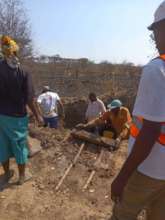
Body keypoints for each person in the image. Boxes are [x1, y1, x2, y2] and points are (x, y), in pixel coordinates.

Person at [110, 2, 165, 220]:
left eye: (156, 31)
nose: (154, 39)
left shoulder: (156, 70)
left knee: (122, 215)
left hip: (149, 169)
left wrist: (122, 177)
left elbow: (150, 132)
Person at [0, 35, 42, 185]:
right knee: (19, 146)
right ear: (16, 52)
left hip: (1, 117)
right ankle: (22, 176)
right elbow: (29, 98)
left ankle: (6, 174)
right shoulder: (24, 72)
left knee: (2, 145)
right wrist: (38, 116)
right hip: (18, 117)